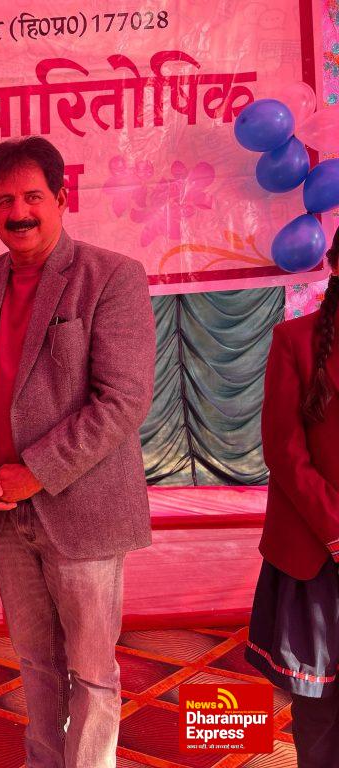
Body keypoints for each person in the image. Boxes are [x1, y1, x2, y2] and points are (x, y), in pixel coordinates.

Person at [0, 137, 156, 768]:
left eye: (33, 197)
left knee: (91, 670)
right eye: (5, 200)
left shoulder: (111, 275)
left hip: (83, 510)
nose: (19, 212)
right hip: (4, 513)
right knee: (35, 662)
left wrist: (35, 472)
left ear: (63, 199)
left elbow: (123, 400)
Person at [246, 227, 339, 767]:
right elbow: (283, 449)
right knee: (319, 707)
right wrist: (336, 531)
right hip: (315, 554)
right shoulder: (295, 339)